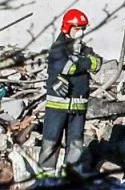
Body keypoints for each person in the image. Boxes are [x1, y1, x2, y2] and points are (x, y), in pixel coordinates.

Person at [38, 9, 101, 181]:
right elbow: (69, 67)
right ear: (67, 28)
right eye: (77, 28)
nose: (80, 32)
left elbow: (98, 63)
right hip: (58, 107)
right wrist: (86, 62)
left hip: (78, 107)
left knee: (75, 145)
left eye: (82, 28)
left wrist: (84, 61)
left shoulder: (83, 49)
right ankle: (45, 181)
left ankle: (69, 180)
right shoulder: (59, 48)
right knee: (51, 143)